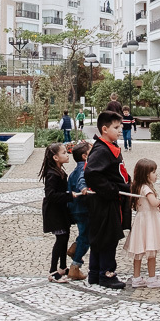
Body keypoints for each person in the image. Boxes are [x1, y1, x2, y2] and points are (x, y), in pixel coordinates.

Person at [84, 110, 131, 289]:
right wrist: (111, 190)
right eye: (116, 127)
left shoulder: (108, 146)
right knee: (108, 238)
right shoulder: (102, 149)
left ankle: (95, 273)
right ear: (105, 129)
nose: (120, 130)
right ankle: (107, 274)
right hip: (105, 201)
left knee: (100, 237)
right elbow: (91, 172)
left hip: (108, 201)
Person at [123, 158, 160, 288]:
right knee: (151, 250)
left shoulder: (137, 187)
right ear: (147, 174)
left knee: (139, 251)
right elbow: (153, 203)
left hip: (141, 221)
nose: (156, 174)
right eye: (154, 172)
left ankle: (137, 278)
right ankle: (152, 278)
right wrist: (158, 201)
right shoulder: (146, 188)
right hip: (149, 222)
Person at [41, 142, 77, 283]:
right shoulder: (52, 174)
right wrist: (69, 195)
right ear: (55, 157)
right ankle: (53, 271)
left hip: (61, 210)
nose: (67, 154)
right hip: (54, 212)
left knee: (65, 237)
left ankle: (62, 267)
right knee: (60, 239)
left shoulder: (59, 171)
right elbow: (50, 195)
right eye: (64, 153)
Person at [66, 142, 92, 280]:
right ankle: (75, 267)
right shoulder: (84, 168)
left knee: (84, 234)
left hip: (75, 209)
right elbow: (82, 180)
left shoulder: (73, 172)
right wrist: (84, 188)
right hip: (83, 208)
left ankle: (74, 248)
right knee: (86, 237)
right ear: (84, 156)